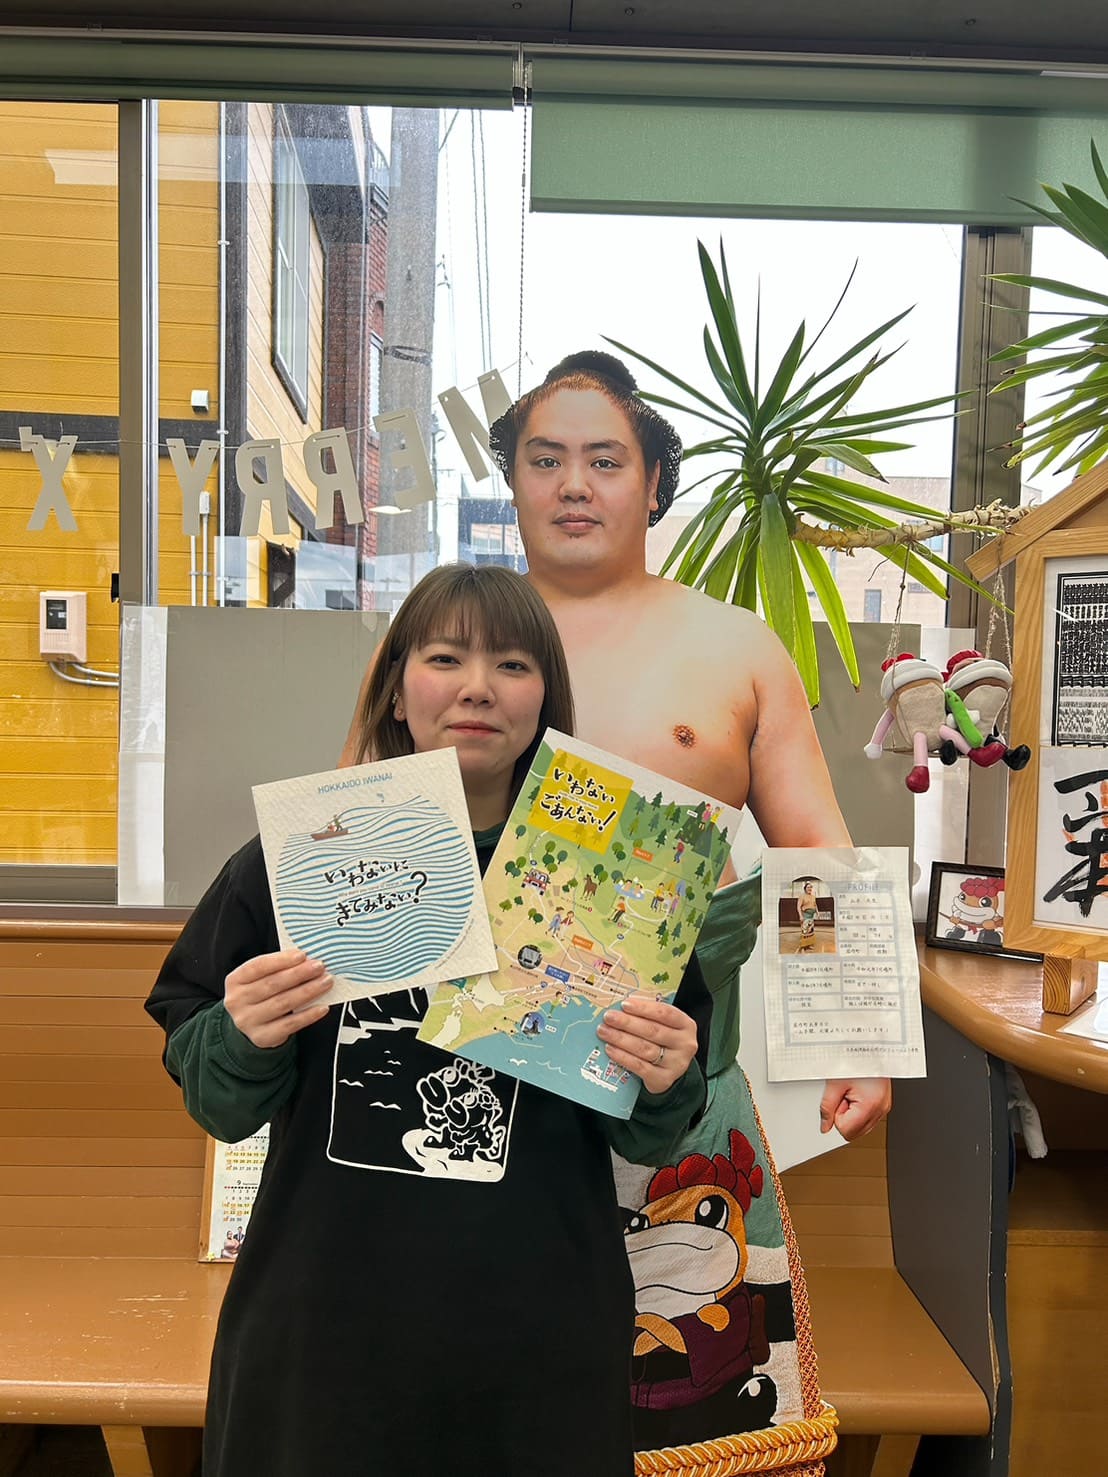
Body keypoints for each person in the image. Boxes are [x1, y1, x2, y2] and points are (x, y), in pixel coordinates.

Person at [146, 563, 712, 1477]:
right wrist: (241, 1033)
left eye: (513, 664)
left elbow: (652, 1129)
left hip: (540, 1337)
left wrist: (665, 1072)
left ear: (546, 699)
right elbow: (220, 1103)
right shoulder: (303, 858)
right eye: (446, 657)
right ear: (396, 688)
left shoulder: (623, 884)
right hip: (323, 1332)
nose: (478, 687)